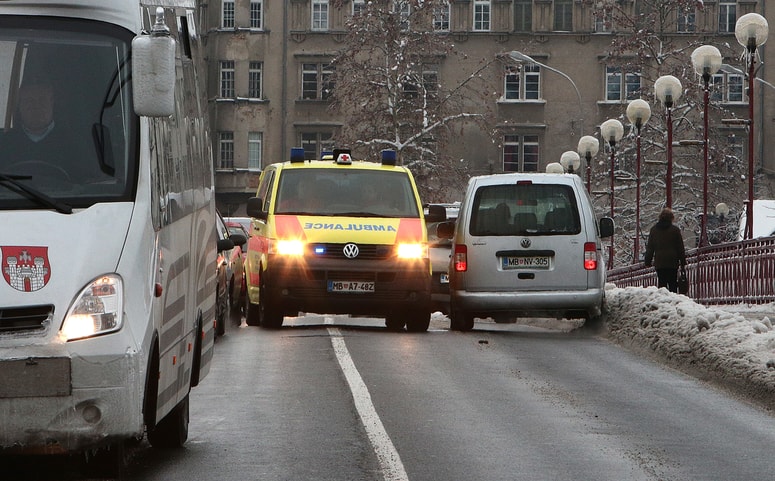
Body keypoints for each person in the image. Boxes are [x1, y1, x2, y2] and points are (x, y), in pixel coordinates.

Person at [644, 207, 686, 293]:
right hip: (672, 262)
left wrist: (647, 261)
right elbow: (680, 248)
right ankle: (673, 301)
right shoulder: (675, 230)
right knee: (673, 283)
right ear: (671, 218)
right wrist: (682, 262)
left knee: (662, 283)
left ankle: (663, 301)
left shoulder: (654, 230)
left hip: (660, 262)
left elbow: (650, 247)